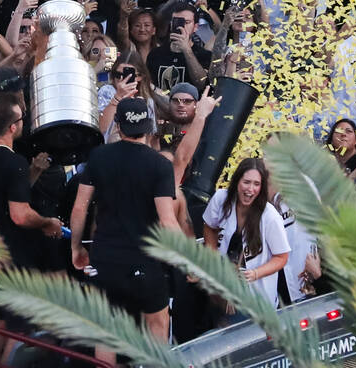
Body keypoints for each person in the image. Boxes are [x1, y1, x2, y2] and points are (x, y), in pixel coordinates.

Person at [70, 97, 181, 354]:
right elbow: (167, 221)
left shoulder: (99, 157)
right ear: (149, 127)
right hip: (146, 261)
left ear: (118, 125)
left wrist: (76, 247)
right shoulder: (160, 165)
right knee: (157, 325)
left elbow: (79, 208)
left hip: (106, 258)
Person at [0, 94, 64, 362]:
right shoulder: (14, 162)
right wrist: (47, 223)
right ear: (13, 127)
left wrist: (32, 173)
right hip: (10, 260)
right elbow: (19, 214)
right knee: (19, 330)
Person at [202, 157, 291, 314]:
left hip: (256, 301)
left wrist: (255, 273)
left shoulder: (270, 216)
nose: (250, 189)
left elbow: (282, 257)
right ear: (237, 181)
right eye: (246, 182)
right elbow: (209, 226)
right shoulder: (221, 199)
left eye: (256, 184)